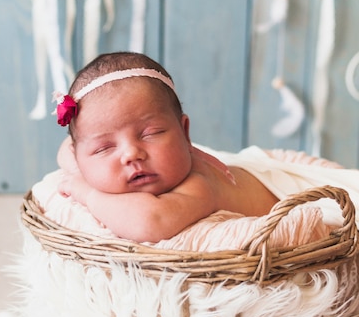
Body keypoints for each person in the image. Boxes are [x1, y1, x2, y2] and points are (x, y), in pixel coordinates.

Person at [55, 51, 279, 243]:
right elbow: (68, 147)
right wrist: (79, 171)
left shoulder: (199, 183)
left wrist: (86, 192)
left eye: (151, 134)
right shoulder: (80, 152)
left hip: (283, 197)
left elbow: (149, 222)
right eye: (104, 148)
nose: (132, 153)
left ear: (185, 132)